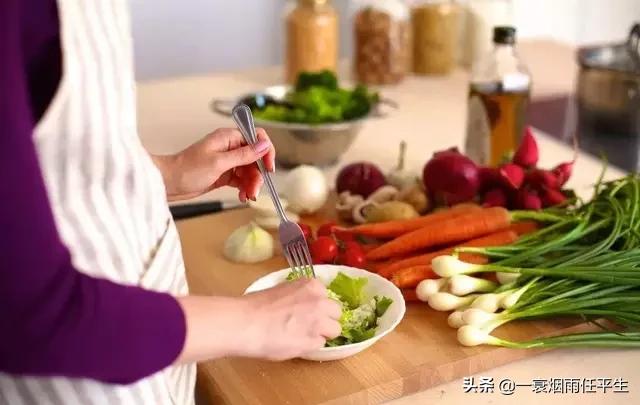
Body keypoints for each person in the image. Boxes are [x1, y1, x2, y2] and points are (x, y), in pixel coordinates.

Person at [0, 1, 341, 404]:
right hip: (81, 374)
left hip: (145, 339)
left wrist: (166, 173)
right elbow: (33, 318)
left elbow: (48, 158)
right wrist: (256, 320)